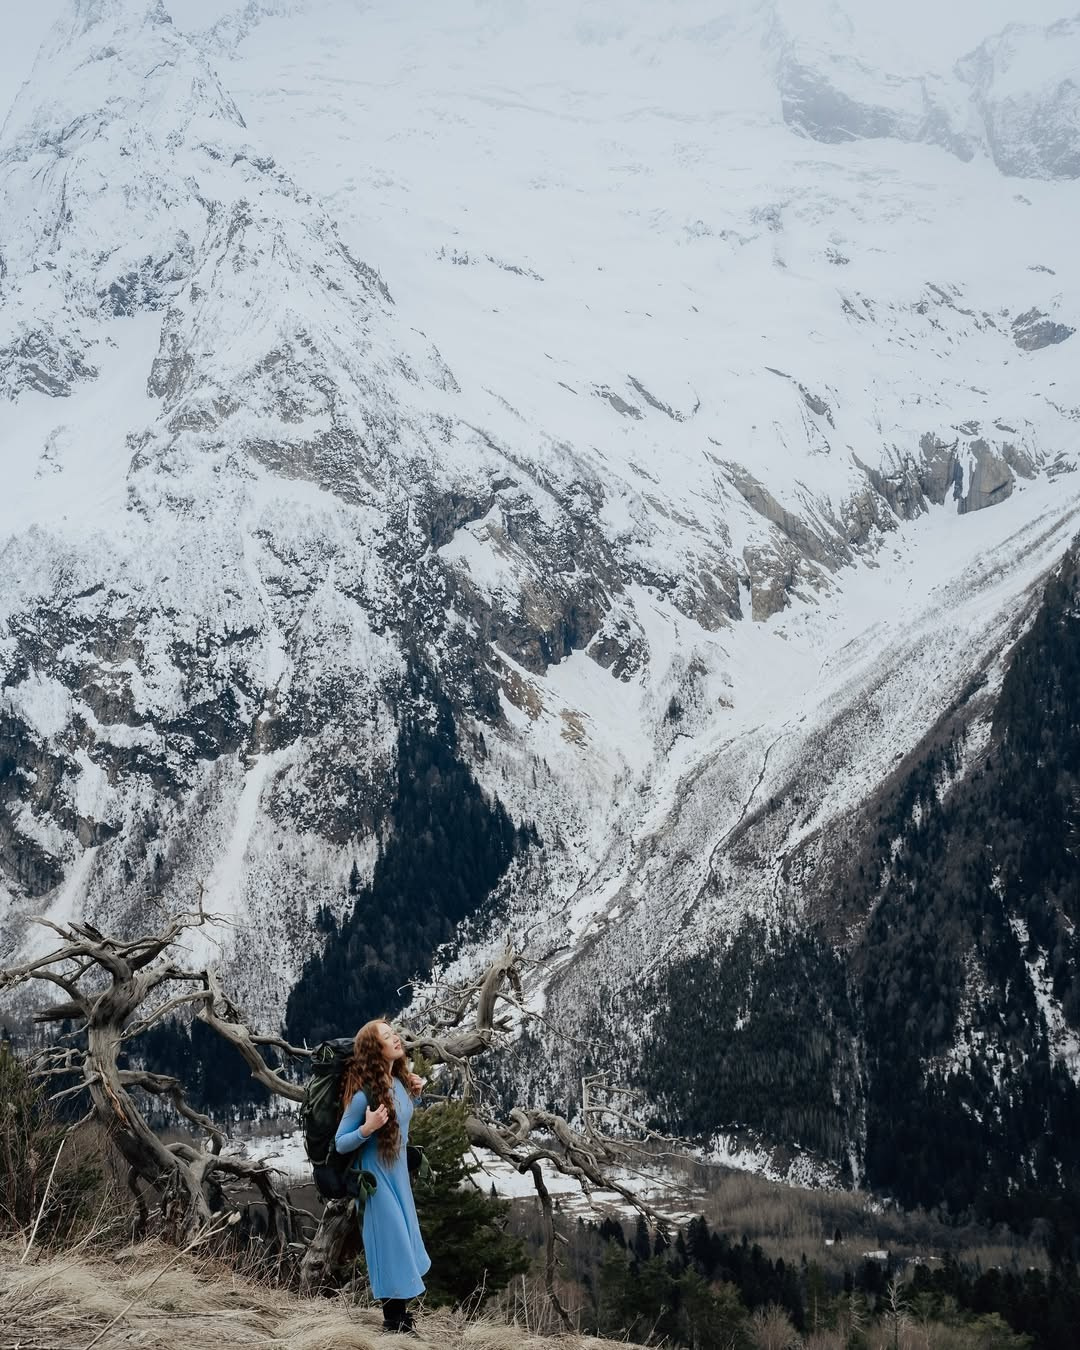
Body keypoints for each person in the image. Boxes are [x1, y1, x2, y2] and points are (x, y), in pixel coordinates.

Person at [335, 1019, 430, 1335]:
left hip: (398, 1177)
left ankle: (401, 1322)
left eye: (394, 1034)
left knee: (405, 1243)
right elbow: (340, 1143)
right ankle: (395, 1325)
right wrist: (368, 1127)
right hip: (375, 1183)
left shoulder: (400, 1083)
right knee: (392, 1246)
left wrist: (414, 1093)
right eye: (388, 1037)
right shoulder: (363, 1095)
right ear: (376, 1049)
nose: (396, 1039)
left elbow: (401, 1121)